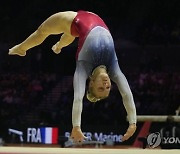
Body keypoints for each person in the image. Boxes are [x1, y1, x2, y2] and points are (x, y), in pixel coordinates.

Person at [9, 10, 137, 143]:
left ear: (91, 84)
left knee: (43, 31)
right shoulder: (114, 68)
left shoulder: (83, 67)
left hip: (74, 20)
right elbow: (127, 94)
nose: (106, 84)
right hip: (84, 25)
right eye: (108, 87)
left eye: (101, 88)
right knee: (69, 34)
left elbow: (77, 98)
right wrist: (133, 122)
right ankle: (58, 46)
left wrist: (76, 126)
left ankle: (21, 48)